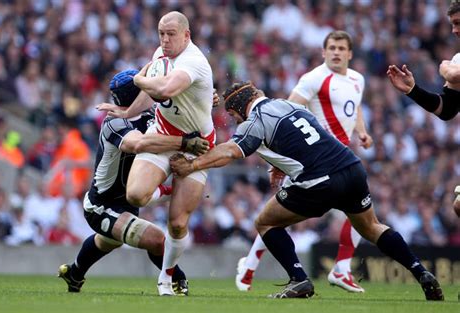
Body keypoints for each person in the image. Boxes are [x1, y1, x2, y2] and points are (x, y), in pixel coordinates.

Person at [170, 81, 444, 301]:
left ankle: (298, 278)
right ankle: (420, 272)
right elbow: (308, 138)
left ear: (239, 107)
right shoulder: (289, 105)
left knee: (265, 222)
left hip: (319, 180)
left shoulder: (255, 119)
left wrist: (192, 164)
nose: (233, 118)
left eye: (232, 114)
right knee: (371, 227)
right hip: (351, 167)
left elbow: (232, 150)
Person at [235, 30, 372, 293]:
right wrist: (276, 162)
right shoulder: (313, 78)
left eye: (341, 48)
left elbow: (355, 108)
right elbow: (286, 109)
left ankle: (342, 268)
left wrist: (362, 131)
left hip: (339, 158)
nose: (336, 52)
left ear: (350, 53)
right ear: (323, 51)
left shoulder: (357, 79)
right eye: (331, 47)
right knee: (277, 217)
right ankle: (249, 266)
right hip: (310, 159)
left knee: (360, 210)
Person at [58, 69, 209, 294]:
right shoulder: (113, 123)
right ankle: (177, 279)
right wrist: (183, 143)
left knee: (107, 241)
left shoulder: (150, 116)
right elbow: (138, 144)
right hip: (102, 205)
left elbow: (182, 113)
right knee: (157, 240)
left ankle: (74, 274)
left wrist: (206, 99)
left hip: (128, 204)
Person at [99, 11, 215, 296]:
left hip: (197, 143)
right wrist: (128, 111)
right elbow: (152, 93)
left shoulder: (193, 62)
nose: (165, 39)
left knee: (177, 223)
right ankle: (164, 188)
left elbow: (163, 88)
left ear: (186, 35)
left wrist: (138, 80)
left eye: (171, 33)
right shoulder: (160, 54)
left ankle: (166, 277)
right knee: (135, 195)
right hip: (163, 133)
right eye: (161, 33)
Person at [387, 0, 460, 217]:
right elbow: (447, 109)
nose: (454, 30)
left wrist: (444, 67)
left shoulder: (453, 65)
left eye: (458, 23)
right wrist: (413, 91)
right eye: (452, 25)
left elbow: (455, 75)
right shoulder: (457, 60)